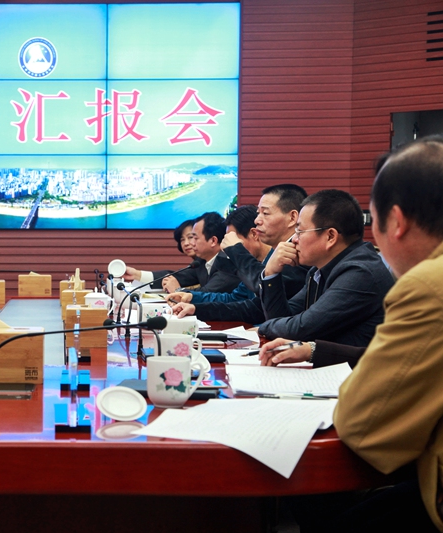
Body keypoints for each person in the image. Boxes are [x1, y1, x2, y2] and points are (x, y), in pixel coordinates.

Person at [263, 137, 443, 532]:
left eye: (373, 221)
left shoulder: (425, 285)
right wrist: (314, 349)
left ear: (397, 221)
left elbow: (362, 426)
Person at [256, 189, 394, 347]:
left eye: (300, 231)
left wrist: (263, 327)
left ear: (330, 237)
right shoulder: (318, 271)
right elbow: (285, 320)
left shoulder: (360, 273)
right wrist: (271, 273)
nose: (294, 239)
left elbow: (301, 329)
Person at [169, 184, 310, 323]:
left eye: (265, 213)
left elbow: (263, 290)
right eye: (258, 213)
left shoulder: (298, 256)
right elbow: (247, 303)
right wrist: (195, 305)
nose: (257, 220)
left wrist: (236, 250)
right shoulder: (274, 254)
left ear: (292, 218)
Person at [166, 205, 269, 305]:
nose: (225, 247)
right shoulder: (249, 265)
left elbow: (262, 292)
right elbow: (234, 299)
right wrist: (192, 298)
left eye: (232, 240)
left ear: (254, 234)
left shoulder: (272, 265)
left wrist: (236, 251)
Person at [124, 218, 205, 290]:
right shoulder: (197, 265)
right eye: (182, 240)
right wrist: (136, 274)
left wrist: (179, 290)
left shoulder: (206, 262)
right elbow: (179, 276)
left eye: (190, 237)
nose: (186, 243)